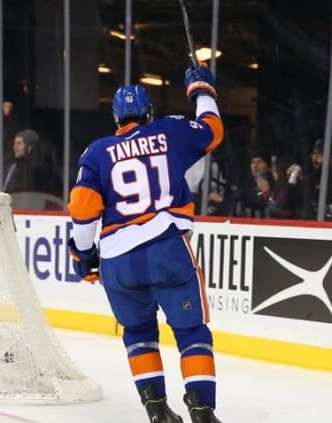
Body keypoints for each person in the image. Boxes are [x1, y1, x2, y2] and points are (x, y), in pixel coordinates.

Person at [67, 65, 224, 423]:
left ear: (116, 118)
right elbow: (213, 132)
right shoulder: (168, 132)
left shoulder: (96, 152)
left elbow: (83, 210)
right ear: (149, 112)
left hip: (118, 262)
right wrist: (202, 90)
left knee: (138, 333)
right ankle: (201, 408)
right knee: (191, 331)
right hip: (166, 249)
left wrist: (84, 256)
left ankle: (157, 411)